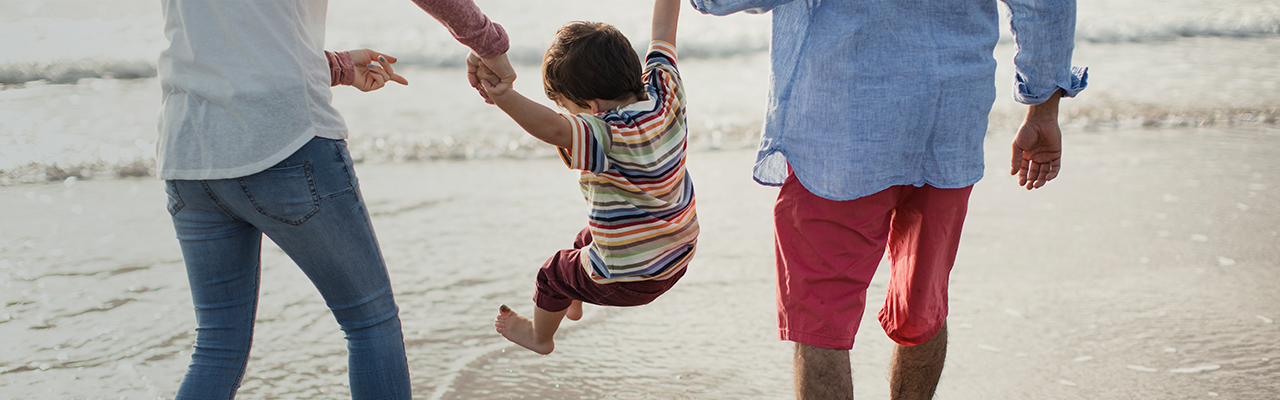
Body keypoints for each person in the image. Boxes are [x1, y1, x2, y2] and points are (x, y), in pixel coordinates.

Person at [691, 0, 1088, 399]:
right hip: (950, 116)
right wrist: (1042, 108)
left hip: (840, 124)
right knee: (923, 303)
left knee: (821, 322)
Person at [155, 1, 512, 398]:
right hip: (285, 139)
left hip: (188, 153)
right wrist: (489, 45)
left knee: (217, 347)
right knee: (370, 323)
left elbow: (228, 43)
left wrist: (337, 67)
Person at [469, 0, 696, 355]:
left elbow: (553, 129)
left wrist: (504, 96)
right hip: (678, 254)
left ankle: (540, 336)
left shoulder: (605, 133)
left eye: (569, 109)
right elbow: (664, 31)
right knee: (586, 236)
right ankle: (572, 299)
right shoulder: (666, 92)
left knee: (552, 274)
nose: (569, 118)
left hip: (629, 278)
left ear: (591, 109)